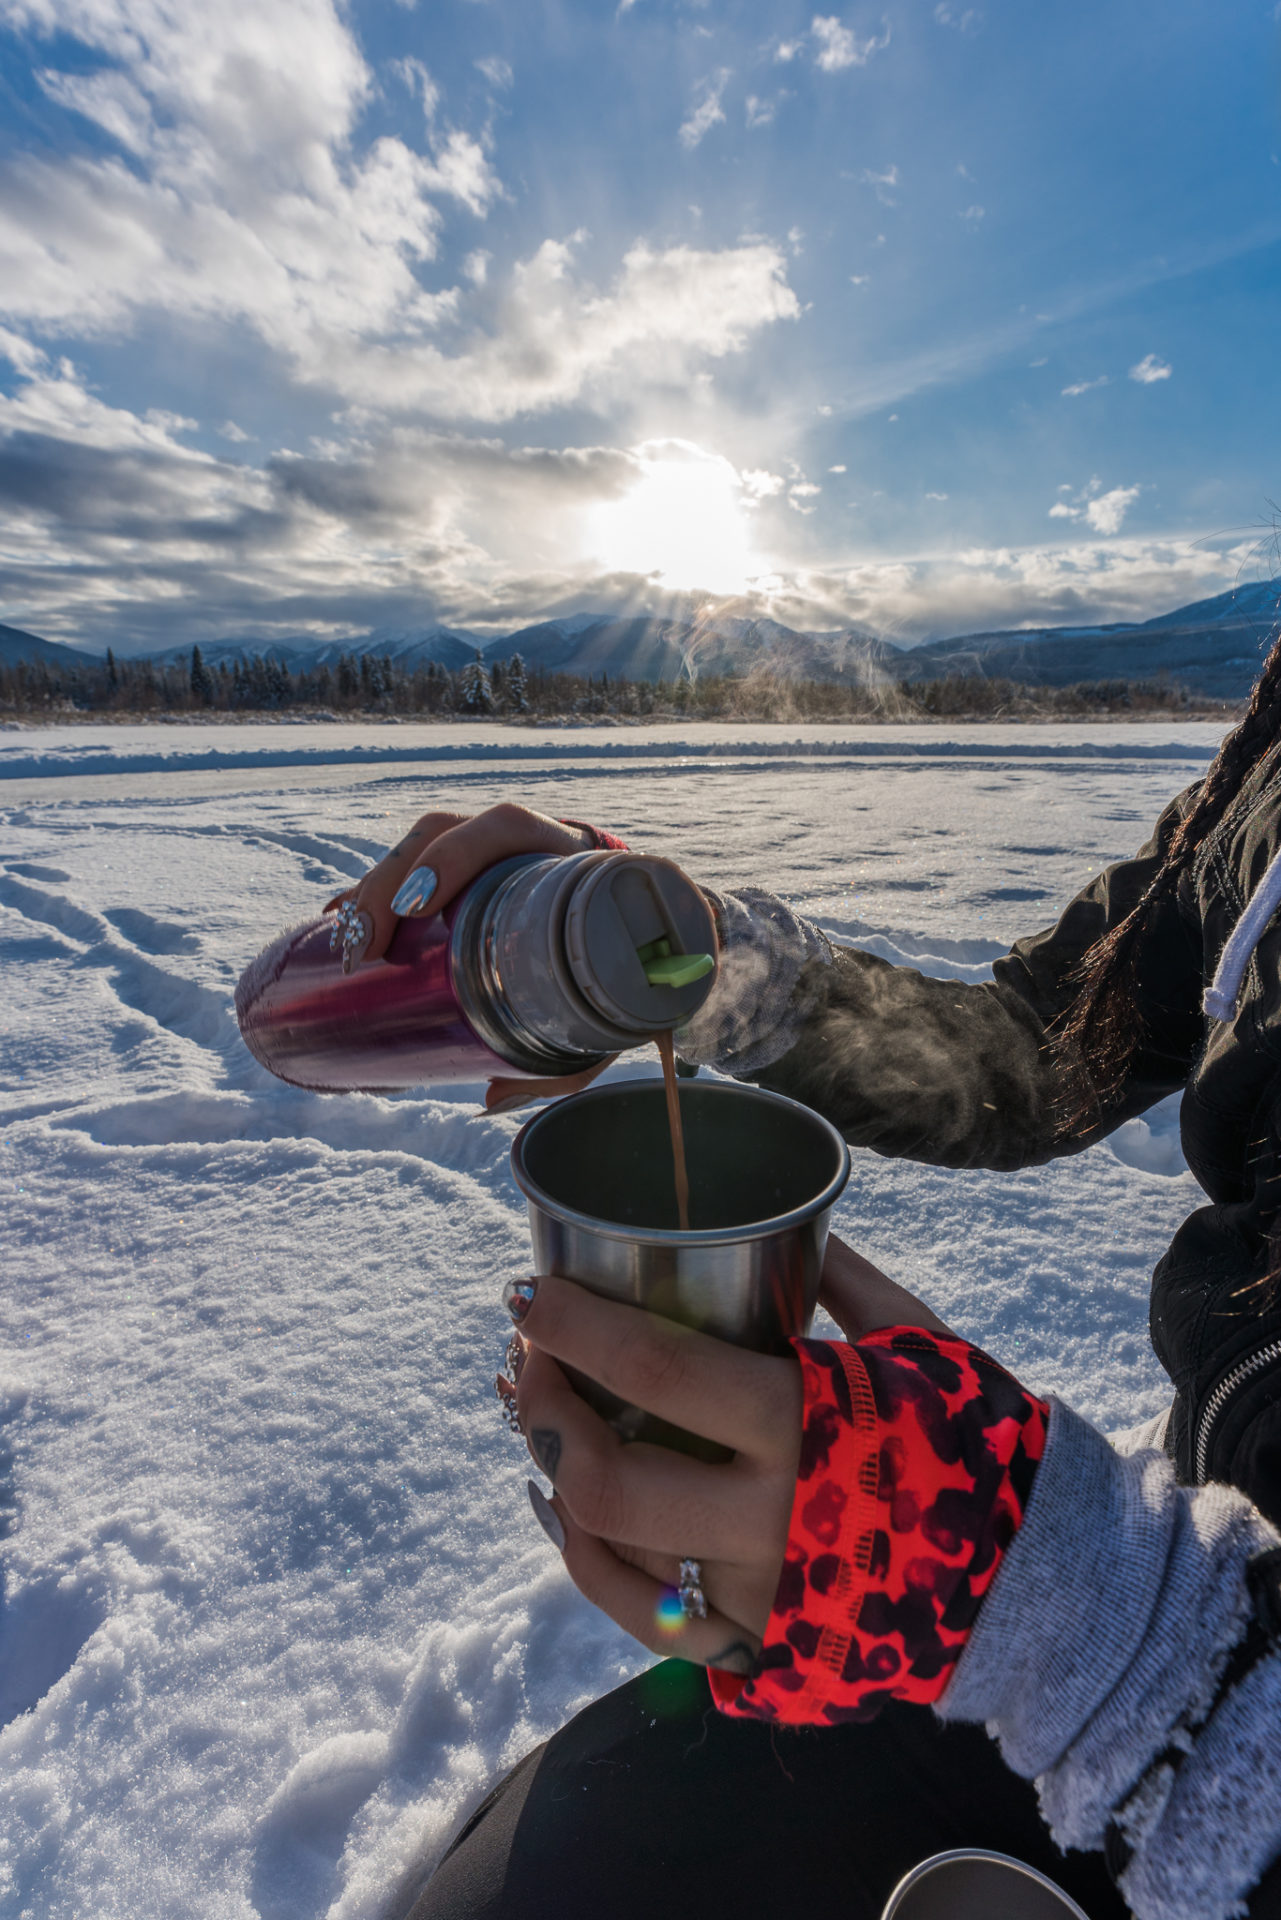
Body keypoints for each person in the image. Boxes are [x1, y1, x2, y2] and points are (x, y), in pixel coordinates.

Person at [328, 647, 1281, 1918]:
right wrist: (679, 958)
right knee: (516, 1887)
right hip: (1156, 1607)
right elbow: (1040, 1048)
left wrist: (1097, 1627)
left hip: (1188, 1691)